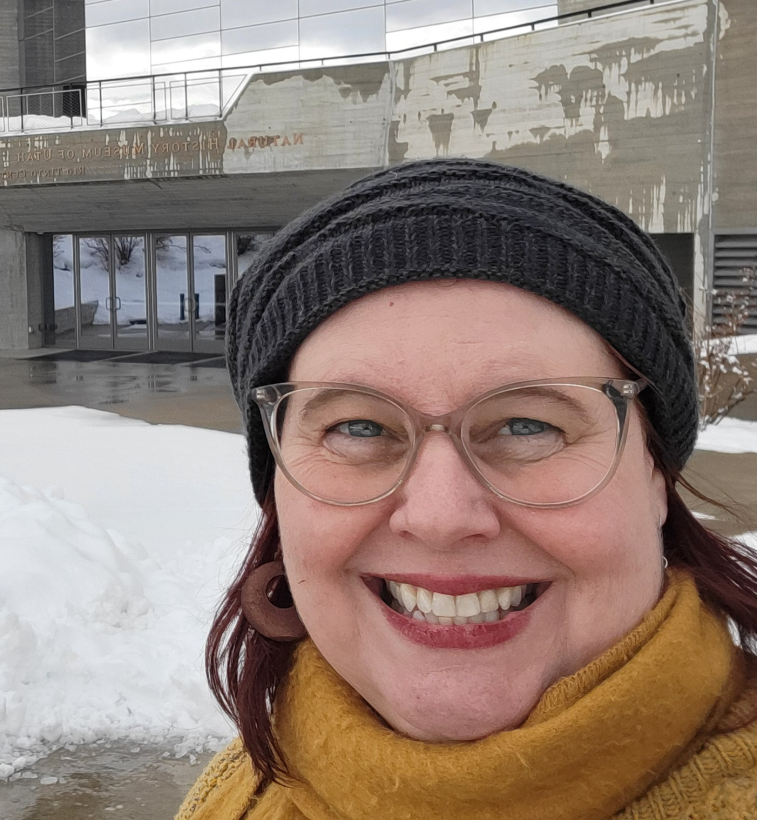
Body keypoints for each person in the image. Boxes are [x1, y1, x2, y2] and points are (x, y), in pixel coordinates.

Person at [176, 159, 757, 820]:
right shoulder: (238, 789)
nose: (442, 516)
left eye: (527, 424)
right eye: (359, 427)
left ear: (655, 475)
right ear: (277, 490)